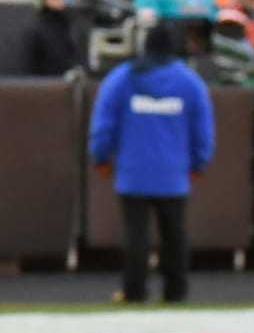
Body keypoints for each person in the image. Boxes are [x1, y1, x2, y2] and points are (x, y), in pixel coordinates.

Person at [90, 24, 214, 304]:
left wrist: (101, 157)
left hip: (132, 171)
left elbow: (103, 124)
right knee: (175, 235)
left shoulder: (123, 78)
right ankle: (176, 290)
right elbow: (203, 130)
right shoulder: (189, 82)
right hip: (174, 172)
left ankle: (134, 291)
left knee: (136, 235)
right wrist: (199, 163)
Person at [26, 0, 78, 75]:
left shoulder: (66, 21)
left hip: (64, 79)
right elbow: (32, 61)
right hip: (46, 82)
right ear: (42, 0)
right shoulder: (37, 26)